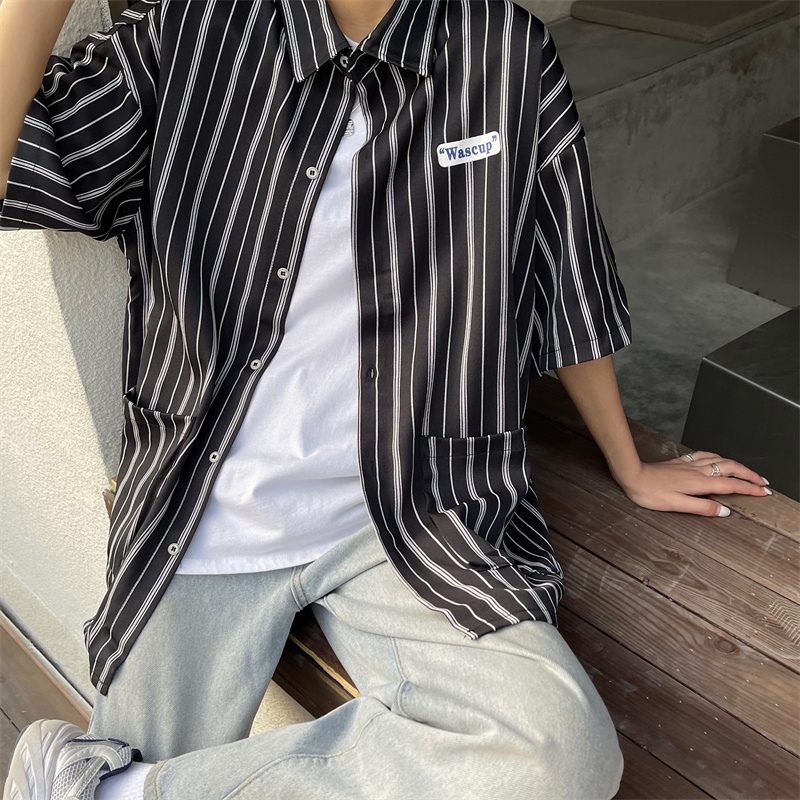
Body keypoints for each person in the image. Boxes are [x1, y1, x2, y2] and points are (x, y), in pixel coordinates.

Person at [0, 0, 772, 798]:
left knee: (558, 756)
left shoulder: (502, 48)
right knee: (138, 743)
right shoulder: (190, 33)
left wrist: (630, 462)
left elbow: (565, 269)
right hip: (208, 509)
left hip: (413, 505)